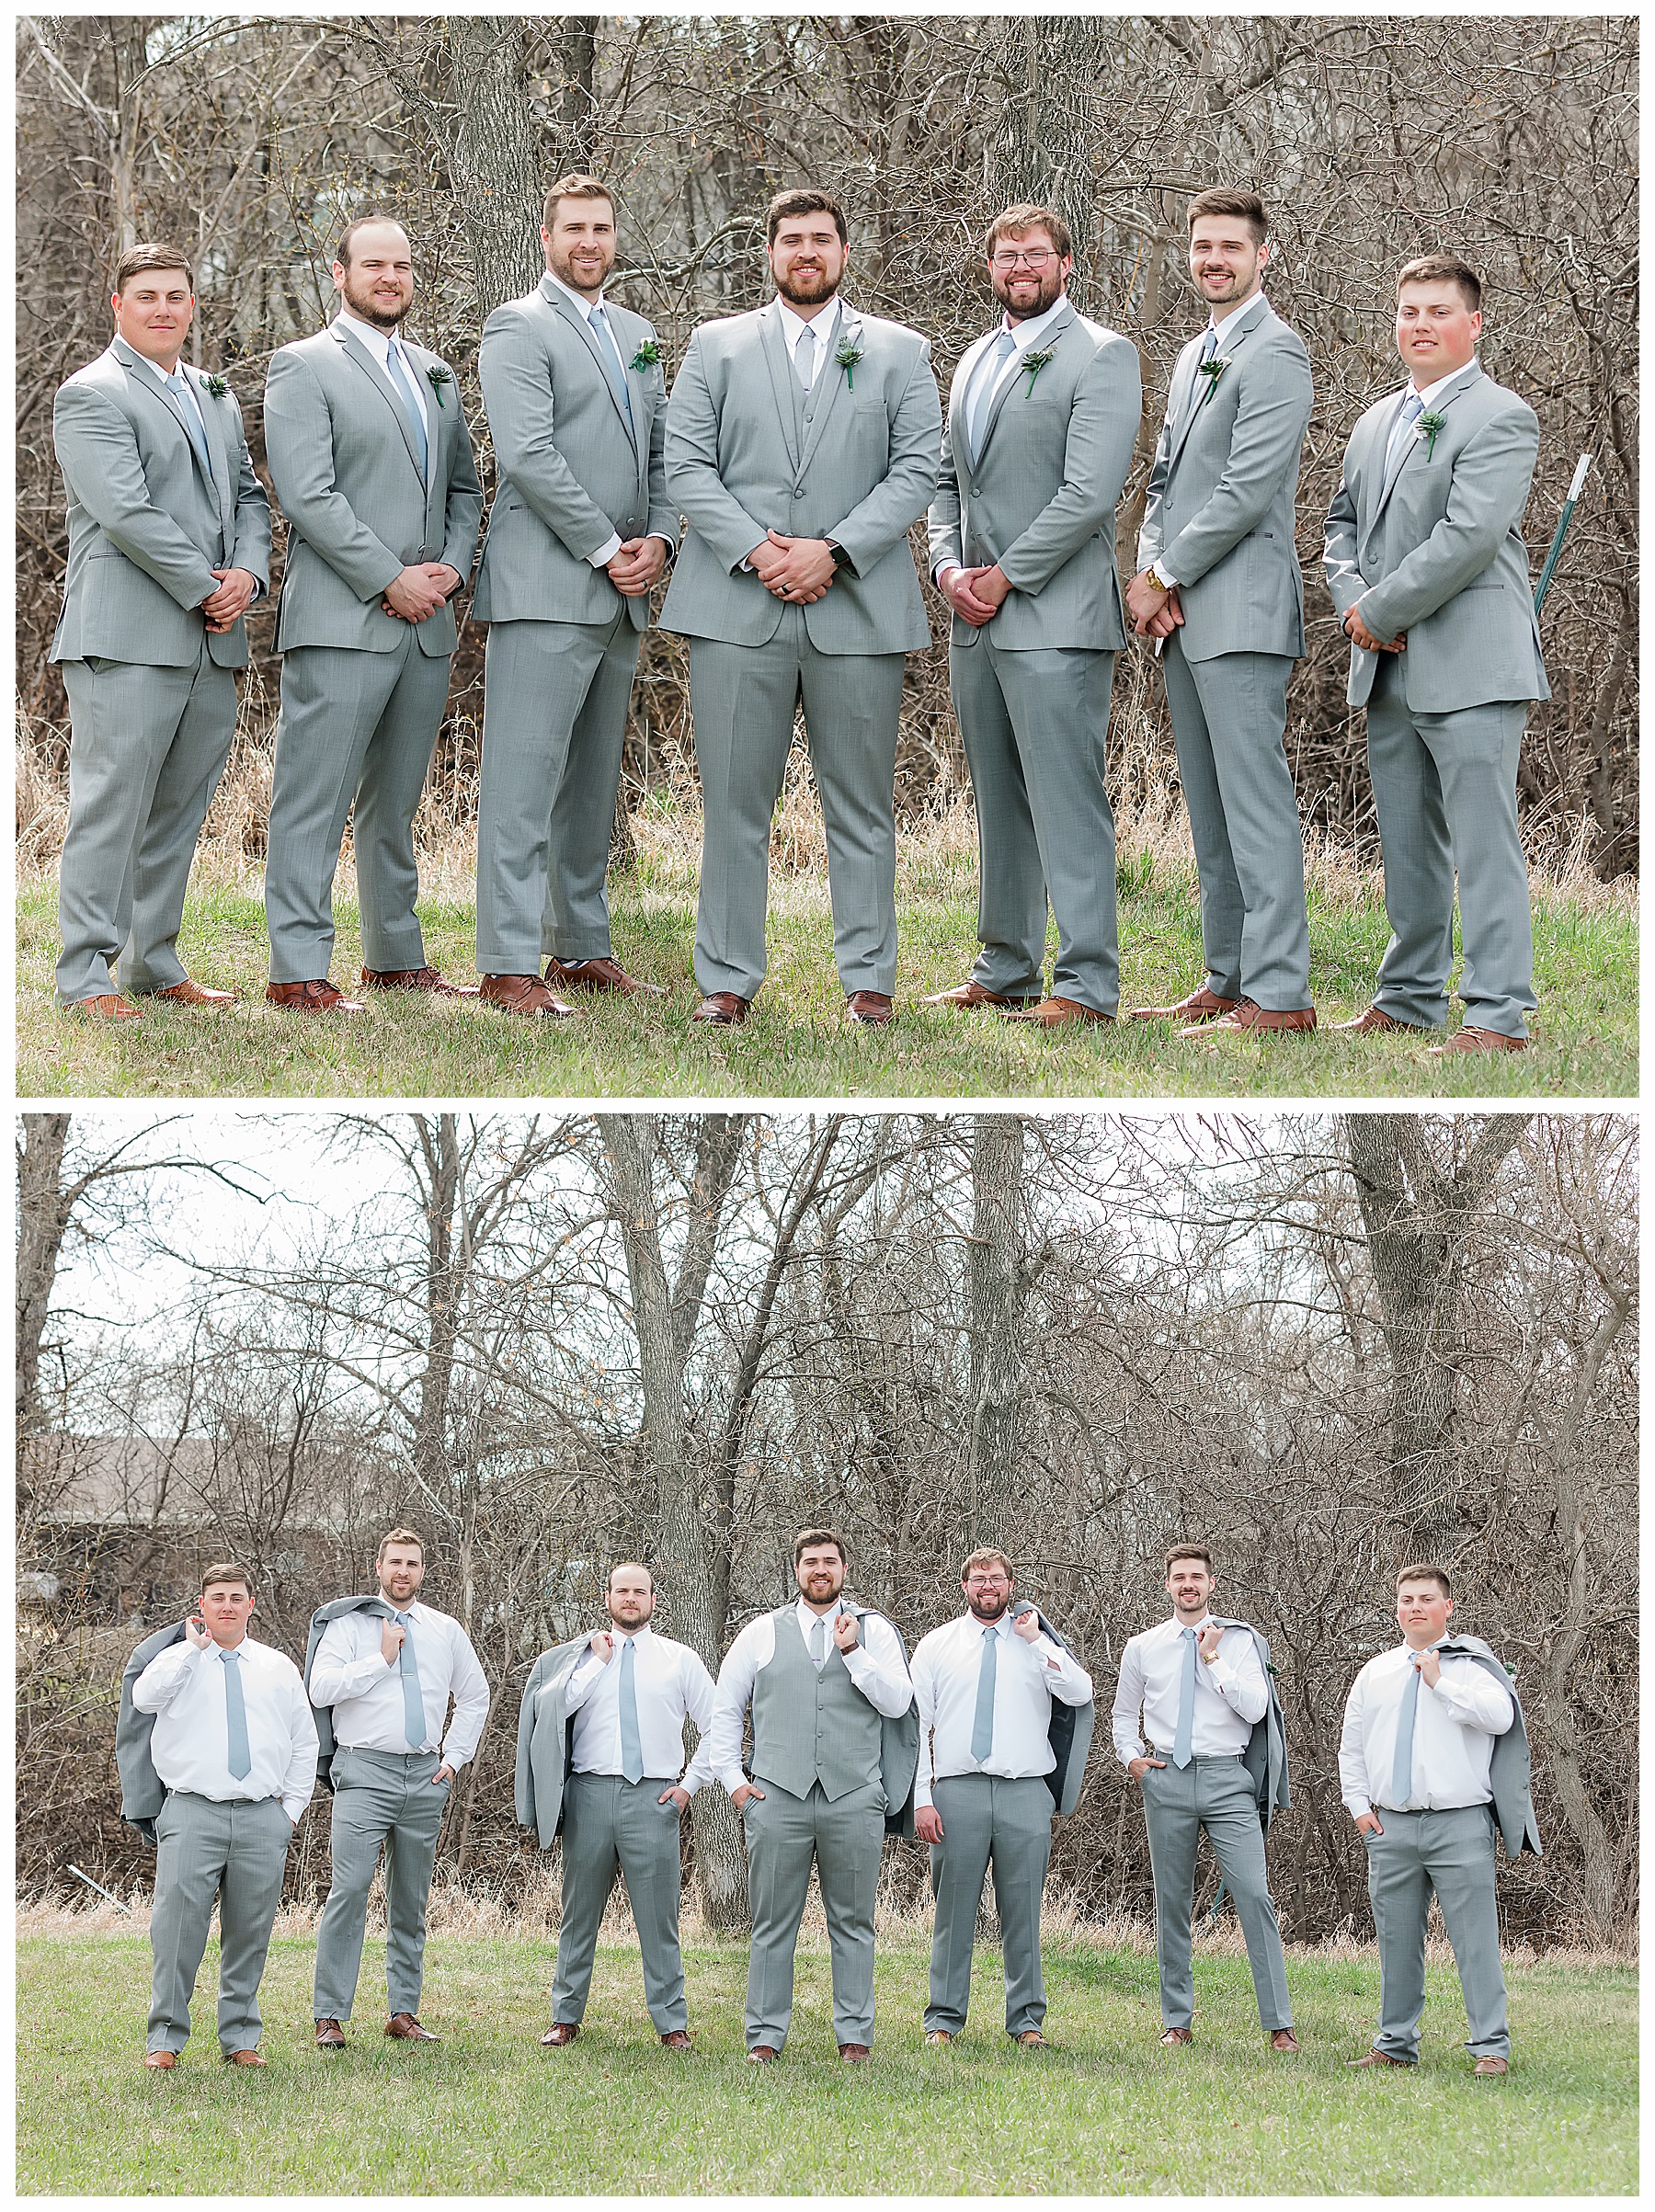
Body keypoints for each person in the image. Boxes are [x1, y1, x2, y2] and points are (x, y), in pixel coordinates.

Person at [661, 188, 941, 1027]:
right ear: (770, 253)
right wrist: (760, 549)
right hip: (736, 608)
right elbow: (687, 467)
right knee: (736, 805)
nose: (806, 253)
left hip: (856, 608)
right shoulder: (714, 348)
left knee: (860, 805)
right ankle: (727, 979)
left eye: (821, 240)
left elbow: (917, 468)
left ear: (844, 254)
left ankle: (868, 980)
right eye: (790, 241)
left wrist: (834, 551)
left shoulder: (899, 352)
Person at [1324, 255, 1548, 1053]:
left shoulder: (1501, 416)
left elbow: (1468, 538)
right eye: (1408, 311)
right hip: (1384, 660)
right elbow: (1340, 526)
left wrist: (1380, 608)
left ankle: (1496, 1012)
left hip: (1472, 661)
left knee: (1484, 839)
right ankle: (1411, 993)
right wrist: (1355, 605)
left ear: (1475, 323)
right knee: (1408, 839)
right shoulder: (1374, 420)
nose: (1419, 325)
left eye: (1438, 312)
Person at [924, 205, 1141, 1029]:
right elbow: (949, 482)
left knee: (1066, 798)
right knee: (999, 798)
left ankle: (1086, 984)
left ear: (1067, 264)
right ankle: (1006, 966)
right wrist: (947, 566)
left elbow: (1089, 494)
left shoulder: (1102, 356)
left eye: (1037, 254)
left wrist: (1008, 575)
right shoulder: (975, 358)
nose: (1022, 266)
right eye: (1007, 255)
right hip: (972, 616)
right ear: (990, 267)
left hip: (1055, 615)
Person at [262, 215, 484, 1013]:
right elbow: (308, 495)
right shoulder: (303, 368)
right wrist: (389, 576)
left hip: (428, 623)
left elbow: (464, 489)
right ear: (340, 272)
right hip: (344, 619)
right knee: (312, 798)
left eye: (402, 265)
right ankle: (295, 970)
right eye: (374, 264)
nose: (390, 277)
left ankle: (393, 955)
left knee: (395, 800)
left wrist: (451, 570)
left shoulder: (434, 372)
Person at [473, 174, 678, 1019]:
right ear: (547, 237)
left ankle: (580, 947)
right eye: (573, 230)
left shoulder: (638, 334)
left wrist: (660, 541)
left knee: (592, 783)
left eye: (601, 228)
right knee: (522, 782)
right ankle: (506, 962)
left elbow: (666, 454)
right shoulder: (516, 326)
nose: (589, 243)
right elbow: (527, 453)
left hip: (626, 589)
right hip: (546, 585)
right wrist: (604, 547)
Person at [49, 242, 270, 1018]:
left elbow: (247, 494)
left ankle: (153, 963)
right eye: (147, 297)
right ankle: (84, 975)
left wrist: (248, 574)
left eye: (177, 296)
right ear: (119, 306)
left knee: (178, 809)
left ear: (193, 305)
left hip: (214, 638)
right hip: (129, 635)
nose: (164, 309)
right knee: (111, 807)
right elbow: (126, 511)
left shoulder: (213, 392)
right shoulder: (91, 394)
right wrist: (203, 586)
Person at [1126, 188, 1317, 1039]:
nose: (1214, 259)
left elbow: (1244, 493)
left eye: (1230, 247)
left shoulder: (1277, 355)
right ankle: (1228, 974)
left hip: (1240, 610)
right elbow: (1165, 479)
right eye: (1202, 246)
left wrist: (1164, 572)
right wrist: (1147, 570)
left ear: (1261, 256)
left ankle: (1280, 995)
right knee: (1208, 808)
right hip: (1183, 615)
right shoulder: (1192, 354)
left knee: (1254, 805)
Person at [707, 1529, 918, 2060]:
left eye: (829, 1562)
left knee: (853, 1921)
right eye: (809, 1563)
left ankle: (854, 2036)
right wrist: (734, 1783)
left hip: (854, 1796)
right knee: (772, 1921)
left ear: (845, 1570)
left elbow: (898, 1704)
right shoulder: (760, 1632)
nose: (819, 1571)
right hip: (777, 1796)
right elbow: (726, 1711)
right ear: (795, 1571)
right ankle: (765, 2037)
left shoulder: (875, 1632)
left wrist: (854, 1654)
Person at [1340, 1563, 1540, 2074]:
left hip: (1460, 1824)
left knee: (1474, 1938)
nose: (1415, 1608)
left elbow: (1501, 1718)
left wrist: (1439, 1682)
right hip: (1392, 1827)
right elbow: (1353, 1748)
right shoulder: (1375, 1672)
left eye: (1426, 1599)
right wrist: (1361, 1808)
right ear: (1397, 1607)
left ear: (1447, 1607)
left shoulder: (1473, 1665)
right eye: (1406, 1599)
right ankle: (1394, 2044)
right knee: (1396, 1941)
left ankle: (1490, 2047)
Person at [515, 1563, 714, 2047]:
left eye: (639, 1592)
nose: (630, 1599)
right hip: (590, 1796)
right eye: (621, 1591)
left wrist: (688, 1787)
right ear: (607, 1597)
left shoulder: (679, 1660)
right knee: (578, 1913)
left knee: (658, 1917)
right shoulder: (580, 1660)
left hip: (655, 1797)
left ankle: (671, 2023)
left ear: (652, 1599)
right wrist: (598, 1664)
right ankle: (565, 2017)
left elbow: (718, 1727)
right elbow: (552, 1710)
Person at [307, 1527, 489, 2048]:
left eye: (412, 1563)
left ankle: (403, 2011)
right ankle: (330, 2016)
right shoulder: (348, 1627)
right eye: (394, 1563)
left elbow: (475, 1696)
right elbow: (319, 1688)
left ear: (423, 1571)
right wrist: (381, 1660)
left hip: (424, 1776)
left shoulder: (445, 1630)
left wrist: (454, 1759)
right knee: (349, 1891)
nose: (403, 1572)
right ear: (379, 1568)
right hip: (363, 1770)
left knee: (411, 1900)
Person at [130, 1562, 317, 2066]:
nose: (227, 1606)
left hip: (262, 1817)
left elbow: (304, 1742)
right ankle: (165, 2040)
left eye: (237, 1597)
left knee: (250, 1931)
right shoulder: (177, 1661)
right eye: (217, 1598)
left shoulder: (278, 1667)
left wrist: (290, 1811)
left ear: (251, 1605)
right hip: (193, 1812)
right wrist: (192, 1649)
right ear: (202, 1606)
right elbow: (143, 1699)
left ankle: (240, 2039)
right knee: (176, 1931)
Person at [1112, 1543, 1296, 2051]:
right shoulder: (1142, 1646)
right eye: (1179, 1577)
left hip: (1226, 1778)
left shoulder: (1239, 1642)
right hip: (1166, 1777)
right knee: (1172, 1902)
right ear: (1167, 1585)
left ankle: (1278, 2024)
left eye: (1197, 1577)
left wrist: (1212, 1657)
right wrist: (1132, 1758)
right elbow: (1124, 1714)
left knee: (1254, 1895)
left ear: (1211, 1584)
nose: (1187, 1585)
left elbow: (1257, 1710)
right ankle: (1177, 2020)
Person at [910, 1548, 1094, 2047]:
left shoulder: (1036, 1641)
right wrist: (922, 1797)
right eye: (977, 1579)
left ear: (1010, 1584)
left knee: (1023, 1911)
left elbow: (1080, 1692)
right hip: (957, 1792)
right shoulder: (936, 1645)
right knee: (953, 1911)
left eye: (996, 1578)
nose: (987, 1586)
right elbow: (915, 1726)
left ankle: (1027, 2022)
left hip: (1025, 1794)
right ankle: (943, 2021)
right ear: (964, 1586)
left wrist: (1037, 1641)